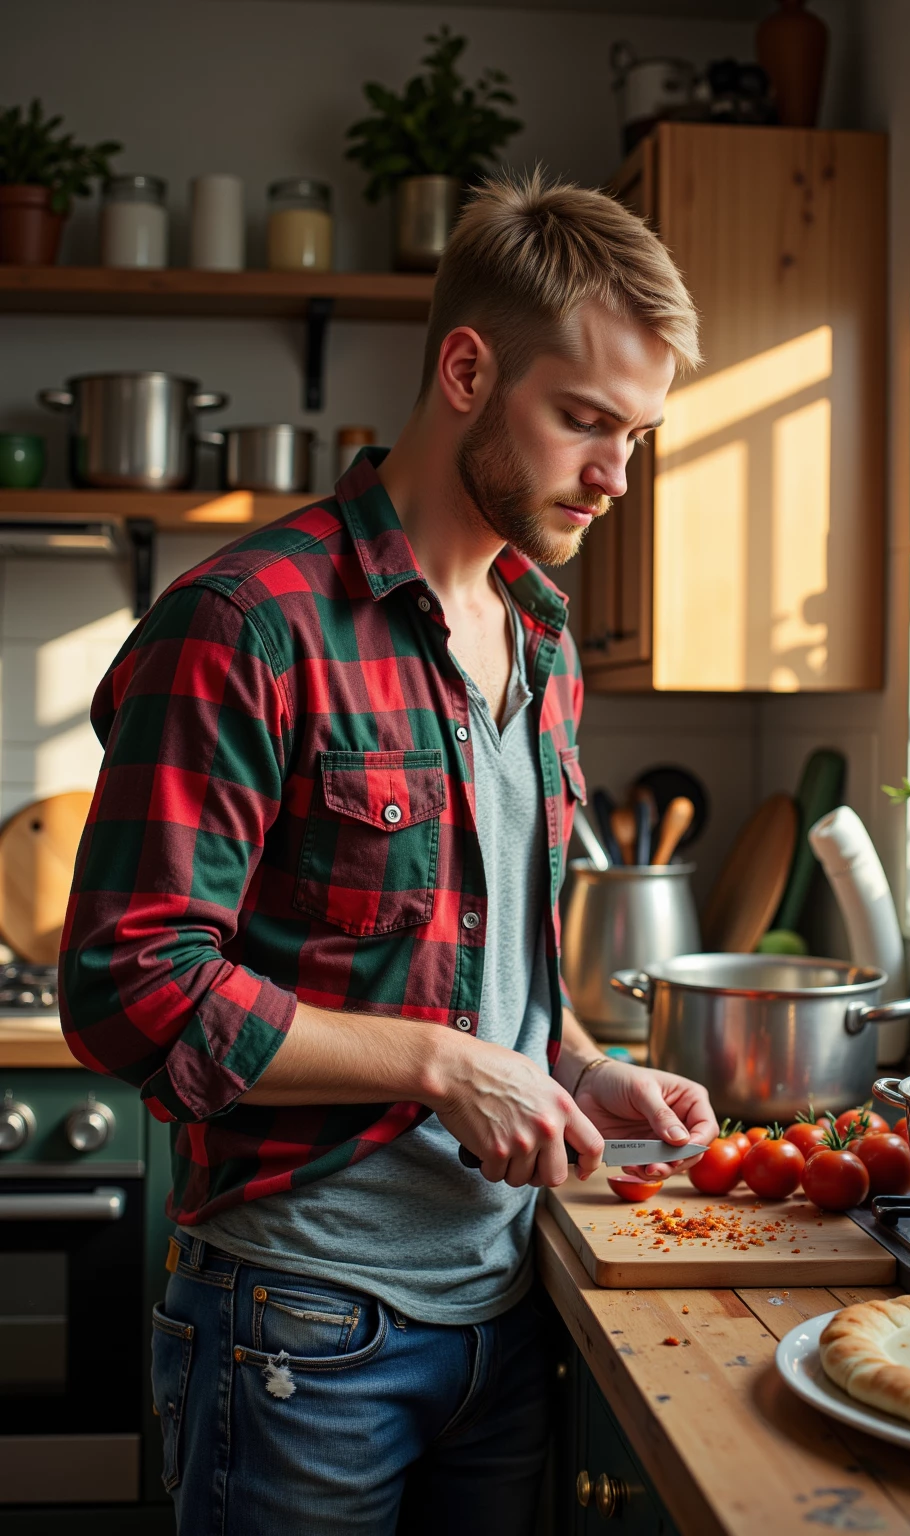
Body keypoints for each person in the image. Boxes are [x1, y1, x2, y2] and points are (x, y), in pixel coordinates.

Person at [59, 170, 714, 1536]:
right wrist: (439, 1065)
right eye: (585, 421)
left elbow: (473, 970)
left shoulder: (541, 639)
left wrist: (580, 1070)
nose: (616, 475)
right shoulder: (249, 622)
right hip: (302, 1329)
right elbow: (129, 986)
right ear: (467, 370)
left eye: (637, 435)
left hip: (511, 1304)